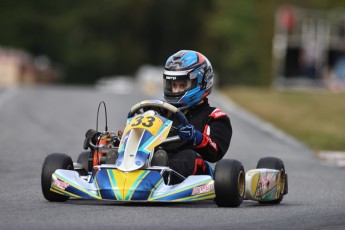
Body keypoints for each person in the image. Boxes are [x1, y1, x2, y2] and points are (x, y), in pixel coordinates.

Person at [158, 50, 232, 183]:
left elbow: (215, 152)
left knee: (188, 156)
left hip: (195, 171)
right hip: (158, 158)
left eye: (182, 85)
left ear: (200, 82)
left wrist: (196, 138)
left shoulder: (214, 117)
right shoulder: (159, 111)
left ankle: (163, 179)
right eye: (173, 85)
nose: (176, 90)